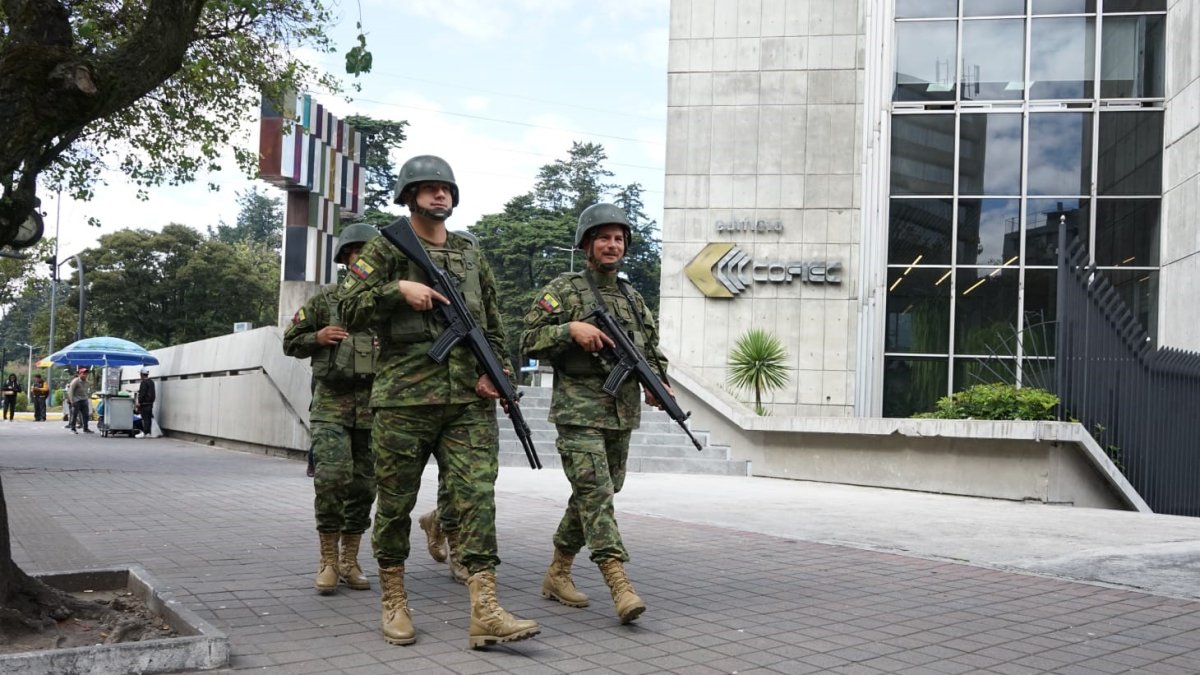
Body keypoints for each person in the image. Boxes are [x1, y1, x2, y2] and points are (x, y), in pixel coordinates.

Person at [335, 154, 538, 648]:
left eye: (445, 188)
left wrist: (500, 377)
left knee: (476, 500)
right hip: (404, 400)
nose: (439, 195)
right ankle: (394, 598)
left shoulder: (470, 253)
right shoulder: (385, 250)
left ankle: (484, 608)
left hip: (468, 400)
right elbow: (346, 306)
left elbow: (492, 323)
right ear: (408, 195)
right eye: (427, 188)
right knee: (397, 503)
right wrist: (395, 290)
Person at [520, 203, 669, 624]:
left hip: (621, 412)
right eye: (603, 237)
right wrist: (569, 329)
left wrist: (661, 384)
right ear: (586, 243)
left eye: (619, 238)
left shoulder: (633, 297)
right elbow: (528, 338)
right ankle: (618, 581)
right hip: (579, 412)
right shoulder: (564, 290)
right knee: (597, 495)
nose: (612, 244)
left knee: (598, 492)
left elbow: (650, 351)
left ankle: (558, 571)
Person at [283, 223, 380, 596]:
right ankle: (327, 560)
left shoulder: (386, 305)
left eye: (369, 254)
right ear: (346, 259)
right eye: (357, 254)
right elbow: (290, 342)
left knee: (364, 486)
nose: (363, 261)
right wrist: (317, 337)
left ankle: (349, 560)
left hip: (375, 409)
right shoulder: (326, 301)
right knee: (332, 480)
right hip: (331, 406)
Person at [67, 367, 93, 433]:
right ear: (80, 374)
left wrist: (88, 397)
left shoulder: (87, 382)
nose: (85, 375)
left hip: (84, 399)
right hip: (76, 400)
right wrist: (72, 401)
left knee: (86, 415)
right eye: (83, 373)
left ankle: (85, 428)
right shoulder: (75, 381)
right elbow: (70, 391)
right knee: (74, 415)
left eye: (86, 374)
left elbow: (87, 391)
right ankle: (73, 429)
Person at [135, 368, 156, 438]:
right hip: (150, 403)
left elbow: (142, 394)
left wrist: (139, 402)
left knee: (145, 418)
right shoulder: (151, 382)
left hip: (144, 403)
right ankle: (148, 433)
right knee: (148, 418)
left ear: (142, 375)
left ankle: (146, 433)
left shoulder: (143, 382)